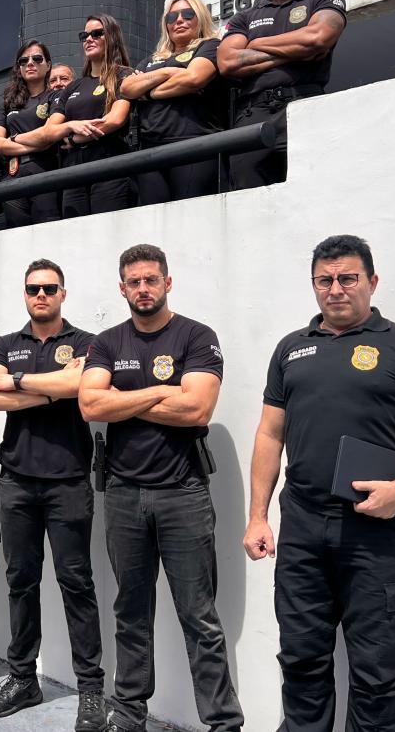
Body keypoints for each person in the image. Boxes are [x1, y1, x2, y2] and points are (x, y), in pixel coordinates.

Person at [243, 234, 395, 731]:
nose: (336, 289)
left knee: (377, 671)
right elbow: (269, 433)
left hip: (375, 531)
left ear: (372, 282)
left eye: (348, 278)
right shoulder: (291, 349)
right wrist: (257, 516)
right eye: (325, 280)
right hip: (302, 530)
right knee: (301, 659)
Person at [79, 244, 244, 732]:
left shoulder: (196, 336)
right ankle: (129, 713)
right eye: (134, 281)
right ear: (122, 288)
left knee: (200, 617)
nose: (143, 289)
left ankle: (223, 722)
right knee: (130, 611)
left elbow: (197, 409)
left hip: (183, 493)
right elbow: (90, 406)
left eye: (151, 279)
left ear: (167, 283)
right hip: (123, 493)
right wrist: (159, 391)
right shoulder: (107, 342)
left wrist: (123, 398)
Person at [0, 259, 106, 730]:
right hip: (16, 482)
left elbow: (82, 385)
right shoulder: (5, 344)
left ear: (63, 293)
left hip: (68, 480)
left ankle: (91, 690)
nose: (41, 295)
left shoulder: (88, 343)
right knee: (20, 583)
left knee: (77, 584)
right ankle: (23, 679)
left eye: (50, 288)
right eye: (33, 289)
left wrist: (17, 382)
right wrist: (54, 390)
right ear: (25, 294)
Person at [217, 0, 347, 190]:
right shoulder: (245, 17)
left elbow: (317, 39)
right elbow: (227, 62)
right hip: (252, 114)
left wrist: (254, 44)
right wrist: (296, 50)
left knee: (312, 190)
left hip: (304, 103)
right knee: (248, 196)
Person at [15, 16, 136, 219]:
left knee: (105, 229)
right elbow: (50, 131)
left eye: (96, 33)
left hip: (109, 164)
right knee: (73, 233)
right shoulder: (73, 86)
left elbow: (115, 120)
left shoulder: (123, 75)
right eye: (84, 35)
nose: (89, 39)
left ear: (112, 37)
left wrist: (73, 138)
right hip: (72, 170)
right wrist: (71, 126)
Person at [123, 0, 227, 204]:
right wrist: (168, 72)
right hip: (150, 150)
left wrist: (148, 91)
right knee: (152, 217)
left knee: (188, 213)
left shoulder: (209, 46)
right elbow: (127, 88)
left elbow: (194, 78)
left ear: (200, 18)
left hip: (195, 144)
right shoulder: (151, 60)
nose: (179, 20)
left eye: (188, 14)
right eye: (172, 17)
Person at [0, 40, 63, 228]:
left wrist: (13, 139)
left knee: (47, 230)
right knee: (17, 235)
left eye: (37, 59)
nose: (30, 63)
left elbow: (48, 134)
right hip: (13, 176)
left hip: (45, 172)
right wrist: (37, 143)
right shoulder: (8, 103)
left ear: (48, 65)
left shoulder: (55, 96)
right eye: (24, 60)